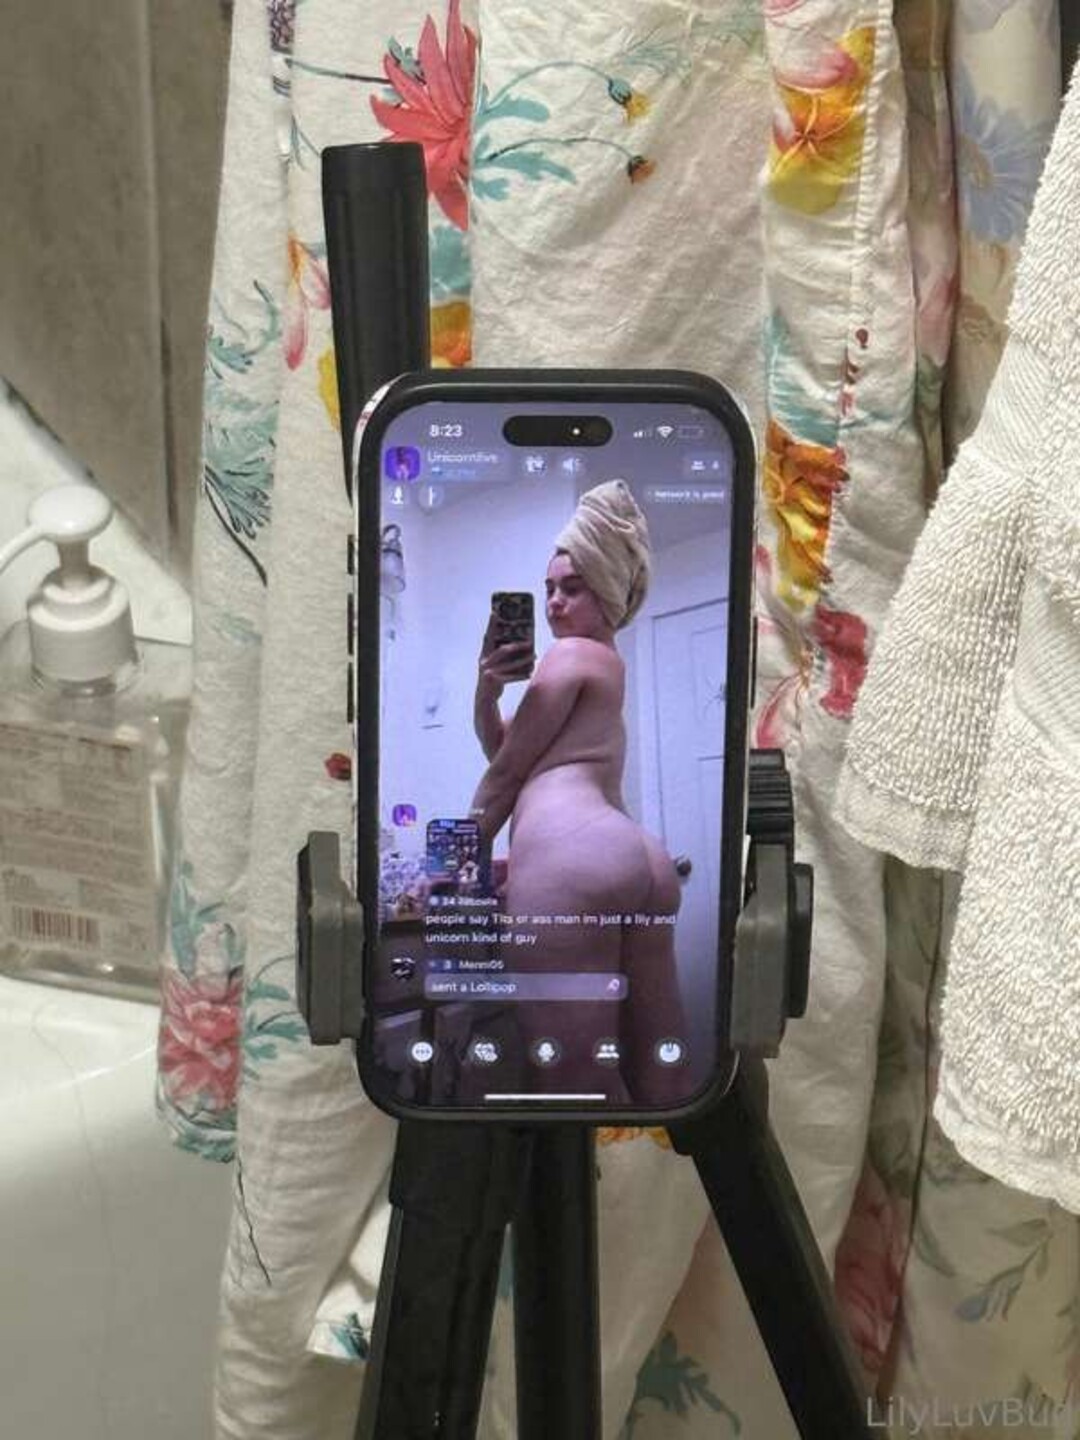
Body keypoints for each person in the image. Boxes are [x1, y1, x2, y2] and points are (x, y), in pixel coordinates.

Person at [470, 480, 687, 1102]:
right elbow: (508, 748)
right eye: (548, 589)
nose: (554, 603)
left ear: (608, 588)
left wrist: (452, 867)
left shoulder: (567, 657)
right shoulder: (606, 664)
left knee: (575, 1081)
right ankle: (677, 1155)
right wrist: (486, 688)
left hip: (572, 863)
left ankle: (608, 1169)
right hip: (638, 859)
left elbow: (506, 776)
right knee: (661, 1063)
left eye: (573, 587)